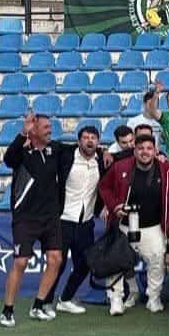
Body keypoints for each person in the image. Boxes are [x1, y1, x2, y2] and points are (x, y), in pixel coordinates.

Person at [98, 134, 169, 316]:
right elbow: (104, 186)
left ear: (155, 151)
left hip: (153, 226)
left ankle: (153, 298)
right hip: (123, 224)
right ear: (134, 151)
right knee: (115, 261)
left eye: (149, 148)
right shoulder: (121, 167)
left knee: (158, 259)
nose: (145, 152)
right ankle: (116, 299)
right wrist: (113, 206)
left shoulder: (167, 170)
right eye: (141, 148)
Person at [0, 114, 66, 327]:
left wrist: (103, 153)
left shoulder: (54, 149)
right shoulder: (21, 152)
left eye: (50, 127)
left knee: (55, 259)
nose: (50, 130)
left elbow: (81, 150)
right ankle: (7, 310)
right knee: (21, 261)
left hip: (51, 217)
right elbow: (8, 159)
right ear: (33, 130)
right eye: (45, 127)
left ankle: (38, 305)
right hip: (26, 218)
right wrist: (21, 133)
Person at [44, 125, 108, 315]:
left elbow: (127, 153)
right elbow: (49, 144)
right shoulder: (66, 155)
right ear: (79, 141)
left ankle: (65, 299)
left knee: (86, 263)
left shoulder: (102, 161)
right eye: (86, 137)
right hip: (63, 220)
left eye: (93, 138)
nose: (90, 141)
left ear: (98, 141)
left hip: (86, 222)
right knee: (58, 263)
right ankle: (44, 302)